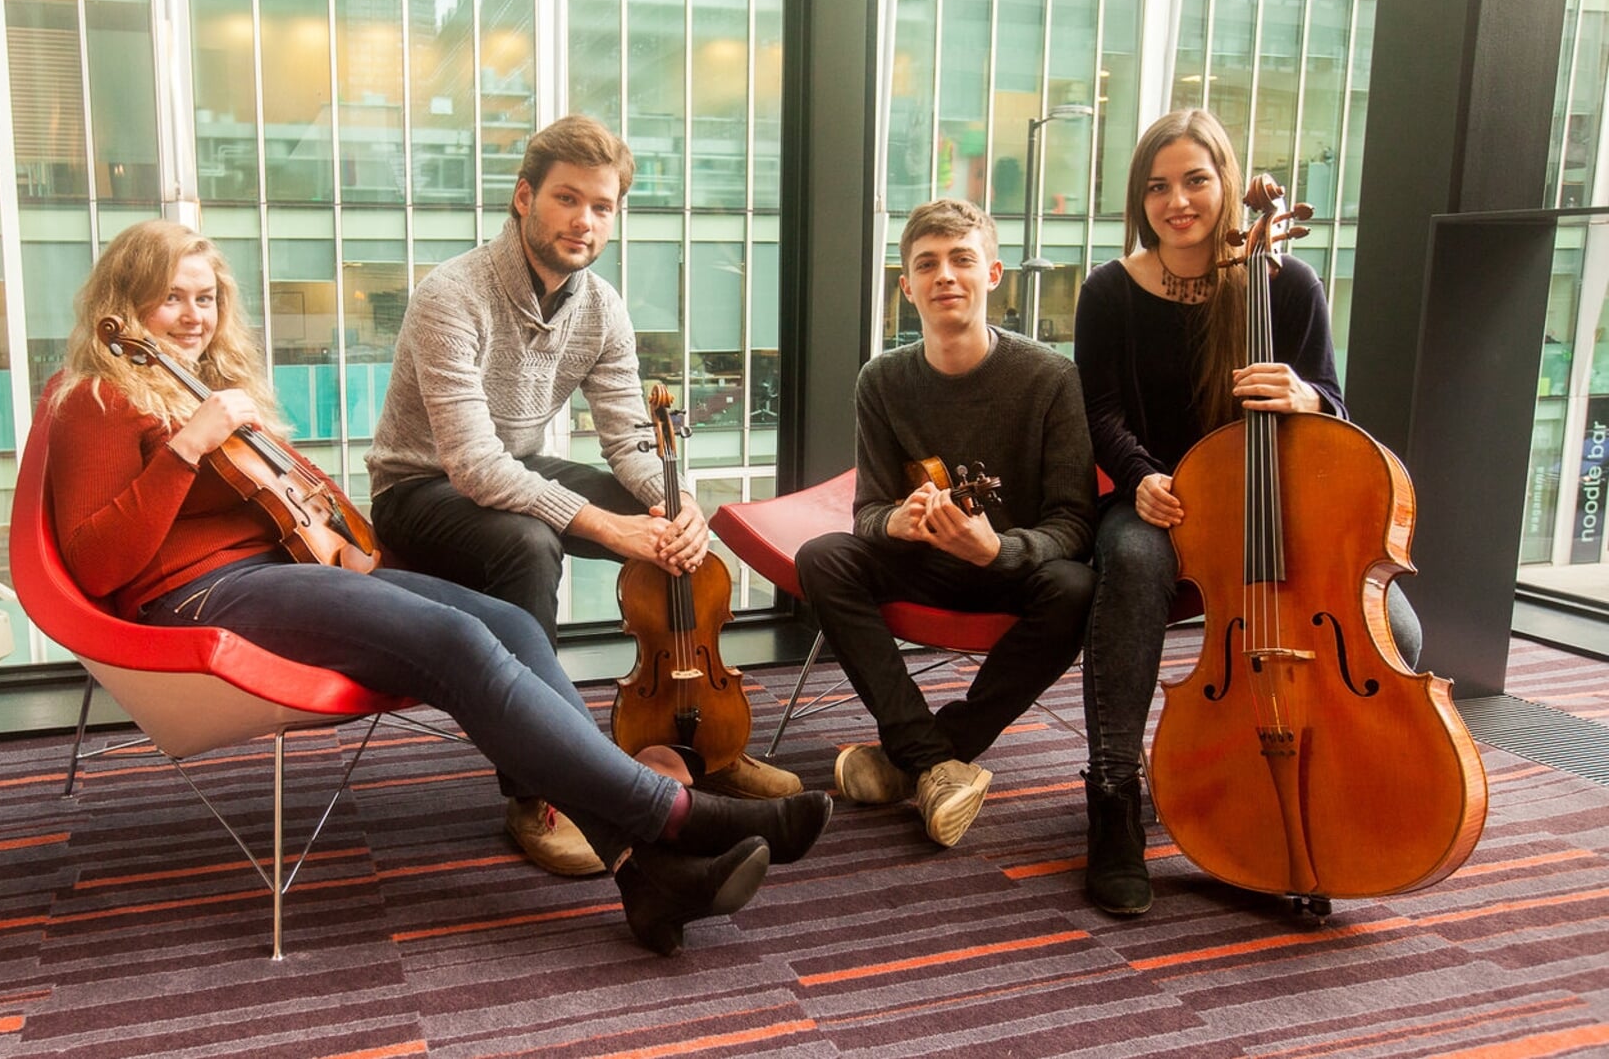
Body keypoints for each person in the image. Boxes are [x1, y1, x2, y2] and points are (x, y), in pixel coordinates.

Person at [43, 219, 831, 956]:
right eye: (172, 296)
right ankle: (681, 813)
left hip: (286, 573)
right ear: (127, 300)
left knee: (507, 626)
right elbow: (97, 564)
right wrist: (186, 448)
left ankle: (646, 879)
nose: (193, 315)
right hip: (197, 598)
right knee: (455, 642)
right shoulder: (98, 398)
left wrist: (343, 537)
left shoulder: (208, 388)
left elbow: (288, 498)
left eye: (206, 296)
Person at [366, 114, 802, 834]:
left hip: (520, 467)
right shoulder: (453, 294)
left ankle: (700, 743)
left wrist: (678, 504)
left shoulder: (602, 308)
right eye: (567, 199)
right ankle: (535, 789)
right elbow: (473, 466)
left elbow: (631, 441)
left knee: (670, 532)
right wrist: (606, 527)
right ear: (523, 198)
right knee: (529, 547)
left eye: (602, 207)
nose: (584, 221)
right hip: (419, 488)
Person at [1073, 108, 1423, 917]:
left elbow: (1332, 402)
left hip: (1273, 505)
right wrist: (1139, 479)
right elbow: (1101, 411)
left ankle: (1302, 794)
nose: (1177, 201)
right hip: (1162, 500)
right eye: (1157, 186)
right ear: (1140, 198)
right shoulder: (1110, 291)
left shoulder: (1286, 283)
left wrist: (1303, 395)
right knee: (1129, 560)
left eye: (1196, 179)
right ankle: (1115, 794)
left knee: (1395, 632)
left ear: (1228, 184)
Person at [795, 198, 1098, 849]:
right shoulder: (881, 381)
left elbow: (1074, 523)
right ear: (907, 288)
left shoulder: (1050, 378)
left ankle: (916, 755)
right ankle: (932, 761)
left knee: (1077, 588)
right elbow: (867, 512)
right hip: (925, 561)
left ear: (992, 274)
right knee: (823, 557)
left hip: (1008, 567)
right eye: (927, 265)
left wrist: (1000, 549)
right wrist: (895, 524)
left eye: (962, 259)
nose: (945, 276)